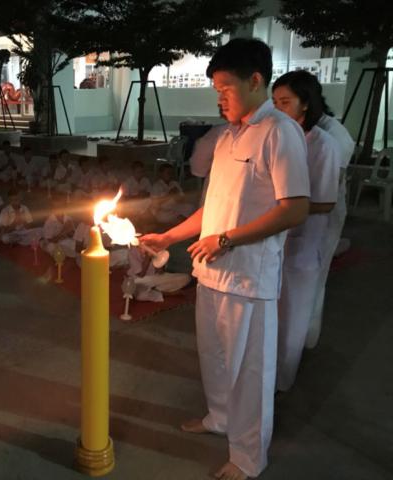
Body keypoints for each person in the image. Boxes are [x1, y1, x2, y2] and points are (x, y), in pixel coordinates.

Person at [141, 38, 310, 480]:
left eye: (225, 88)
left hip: (249, 278)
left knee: (251, 372)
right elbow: (212, 207)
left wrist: (227, 240)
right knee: (214, 357)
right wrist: (169, 236)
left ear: (255, 81)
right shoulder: (228, 135)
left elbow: (294, 209)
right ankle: (219, 417)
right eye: (216, 90)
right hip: (212, 272)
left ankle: (249, 456)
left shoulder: (280, 133)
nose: (219, 98)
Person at [272, 70, 340, 392]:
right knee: (273, 316)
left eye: (285, 102)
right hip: (275, 239)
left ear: (305, 104)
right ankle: (266, 378)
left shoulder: (323, 145)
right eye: (274, 102)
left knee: (292, 320)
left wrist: (284, 209)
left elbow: (325, 202)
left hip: (302, 244)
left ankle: (282, 381)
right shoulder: (281, 139)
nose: (277, 109)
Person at [308, 92, 356, 349]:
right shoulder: (311, 130)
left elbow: (330, 188)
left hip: (324, 213)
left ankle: (306, 338)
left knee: (315, 278)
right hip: (308, 211)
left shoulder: (333, 137)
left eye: (285, 102)